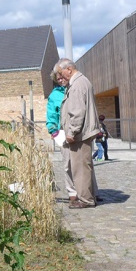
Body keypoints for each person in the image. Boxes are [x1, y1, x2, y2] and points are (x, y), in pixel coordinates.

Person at [56, 58, 101, 208]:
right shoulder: (83, 81)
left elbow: (77, 112)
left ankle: (85, 200)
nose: (61, 77)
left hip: (80, 134)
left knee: (80, 168)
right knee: (85, 166)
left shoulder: (76, 85)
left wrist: (72, 132)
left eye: (61, 73)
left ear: (69, 69)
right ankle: (89, 196)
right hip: (84, 132)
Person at [46, 71, 77, 202]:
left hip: (79, 130)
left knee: (85, 163)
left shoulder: (76, 88)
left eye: (62, 77)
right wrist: (53, 130)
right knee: (68, 163)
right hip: (63, 132)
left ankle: (90, 190)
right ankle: (72, 192)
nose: (60, 80)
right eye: (57, 78)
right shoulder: (55, 95)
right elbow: (51, 113)